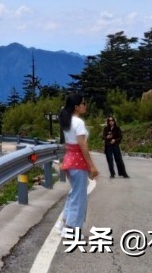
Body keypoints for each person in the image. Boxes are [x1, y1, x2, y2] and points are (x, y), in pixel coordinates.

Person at [59, 93, 98, 234]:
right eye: (83, 103)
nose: (85, 106)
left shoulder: (67, 121)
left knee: (75, 192)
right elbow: (82, 145)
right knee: (79, 196)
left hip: (69, 159)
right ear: (76, 107)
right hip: (78, 162)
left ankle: (65, 220)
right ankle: (71, 228)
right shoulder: (78, 122)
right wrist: (91, 166)